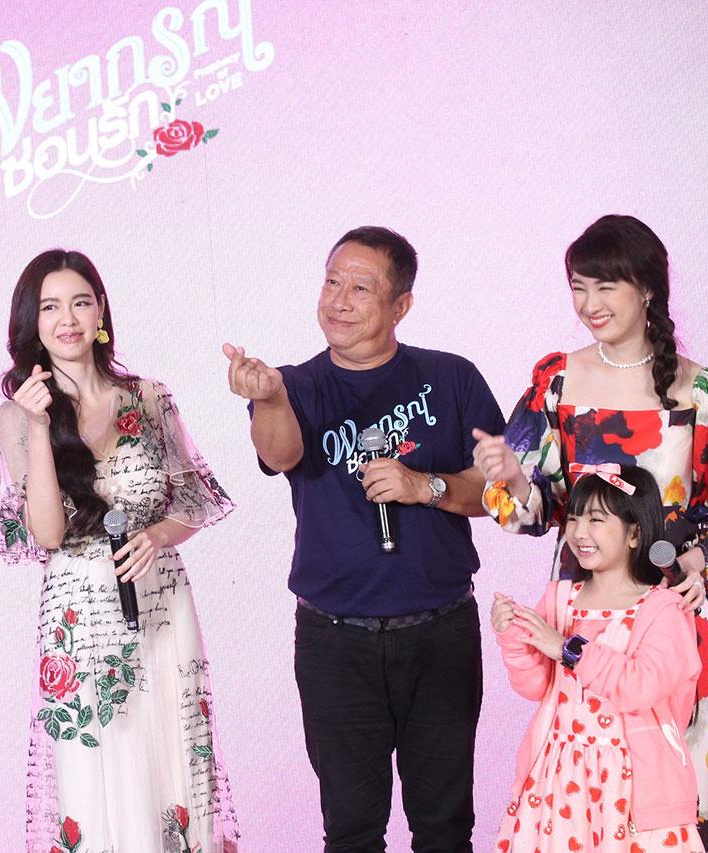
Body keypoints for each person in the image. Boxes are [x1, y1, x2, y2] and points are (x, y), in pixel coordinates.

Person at [224, 226, 504, 851]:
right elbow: (280, 454)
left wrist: (423, 486)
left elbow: (499, 490)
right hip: (335, 641)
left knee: (445, 827)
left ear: (400, 305)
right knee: (351, 831)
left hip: (440, 634)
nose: (338, 301)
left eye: (360, 288)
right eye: (331, 282)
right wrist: (270, 398)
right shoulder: (295, 385)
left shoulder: (452, 377)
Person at [472, 214, 708, 850]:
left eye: (605, 287)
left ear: (646, 288)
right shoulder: (556, 381)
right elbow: (532, 511)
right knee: (575, 796)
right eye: (578, 287)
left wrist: (702, 560)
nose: (589, 304)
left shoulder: (702, 390)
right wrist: (511, 475)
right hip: (582, 614)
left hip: (670, 616)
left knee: (675, 794)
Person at [0, 249, 239, 853]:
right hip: (80, 611)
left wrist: (157, 536)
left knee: (171, 755)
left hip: (160, 598)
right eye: (50, 307)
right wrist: (40, 427)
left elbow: (192, 499)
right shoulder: (15, 419)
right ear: (31, 322)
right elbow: (47, 534)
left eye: (80, 303)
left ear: (100, 312)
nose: (67, 319)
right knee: (98, 767)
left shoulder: (148, 397)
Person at [492, 464, 703, 851]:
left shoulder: (663, 609)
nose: (579, 532)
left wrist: (567, 649)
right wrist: (514, 637)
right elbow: (536, 685)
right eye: (573, 518)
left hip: (633, 788)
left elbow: (639, 687)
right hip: (558, 782)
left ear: (634, 533)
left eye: (596, 520)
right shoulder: (560, 598)